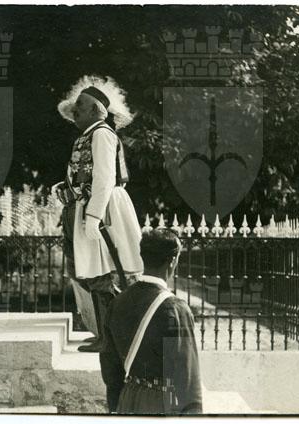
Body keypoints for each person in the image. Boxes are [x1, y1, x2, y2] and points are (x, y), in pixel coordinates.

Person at [55, 75, 143, 352]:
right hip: (90, 207)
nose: (75, 110)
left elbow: (104, 179)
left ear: (96, 110)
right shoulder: (89, 135)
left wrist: (93, 217)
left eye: (81, 105)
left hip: (104, 209)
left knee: (102, 274)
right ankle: (105, 334)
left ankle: (112, 338)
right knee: (92, 272)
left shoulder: (102, 133)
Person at [100, 229, 202, 414]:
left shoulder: (117, 303)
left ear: (143, 257)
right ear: (172, 261)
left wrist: (117, 409)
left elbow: (110, 368)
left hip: (127, 399)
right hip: (161, 403)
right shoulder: (176, 310)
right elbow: (187, 379)